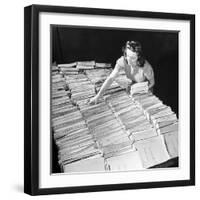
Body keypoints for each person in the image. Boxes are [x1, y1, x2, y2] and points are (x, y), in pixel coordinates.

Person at [89, 40, 155, 104]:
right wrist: (98, 96)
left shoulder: (146, 67)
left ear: (139, 57)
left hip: (145, 90)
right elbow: (111, 78)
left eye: (132, 58)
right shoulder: (123, 60)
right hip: (133, 88)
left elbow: (152, 83)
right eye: (127, 56)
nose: (129, 60)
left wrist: (141, 89)